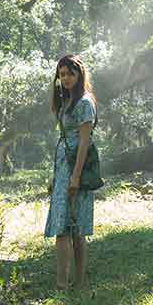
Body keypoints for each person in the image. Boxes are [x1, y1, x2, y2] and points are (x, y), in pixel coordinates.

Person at [45, 54, 98, 289]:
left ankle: (67, 284)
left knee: (72, 228)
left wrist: (75, 177)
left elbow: (84, 143)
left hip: (78, 168)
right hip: (63, 168)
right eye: (62, 74)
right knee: (65, 226)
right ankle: (72, 283)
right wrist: (56, 177)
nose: (65, 78)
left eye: (70, 74)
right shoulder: (65, 101)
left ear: (79, 74)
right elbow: (64, 140)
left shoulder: (85, 103)